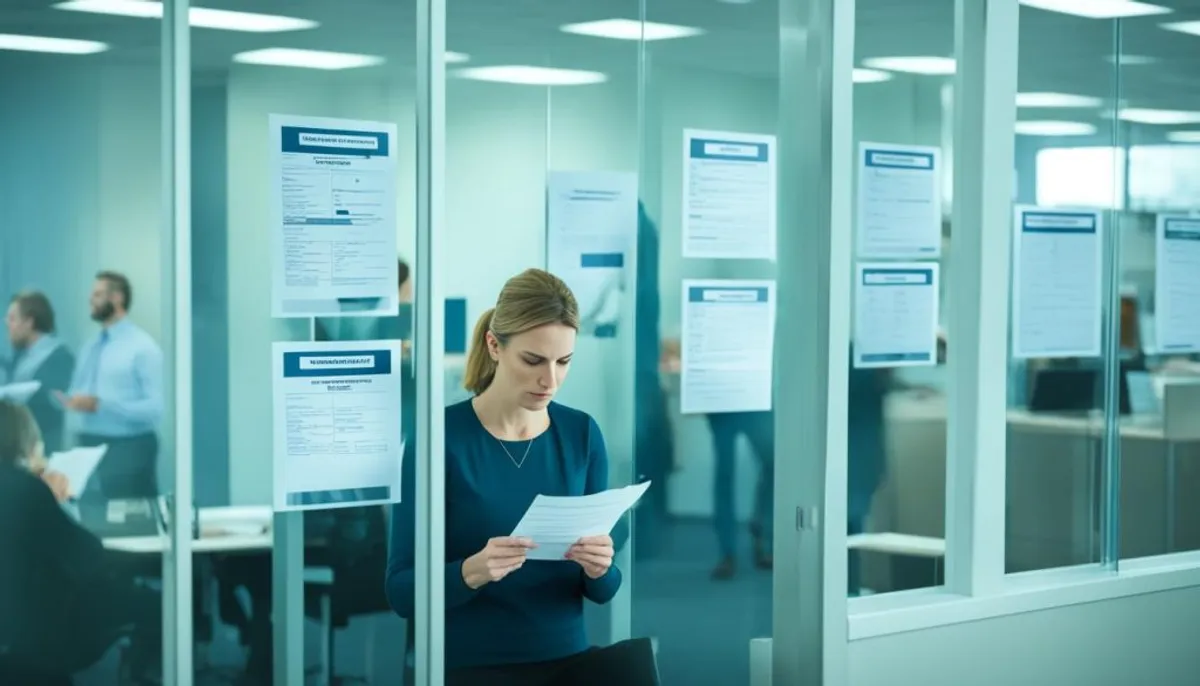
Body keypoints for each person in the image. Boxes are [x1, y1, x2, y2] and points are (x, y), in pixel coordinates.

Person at [385, 268, 658, 686]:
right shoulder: (439, 440)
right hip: (469, 667)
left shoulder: (581, 434)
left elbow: (602, 592)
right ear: (495, 346)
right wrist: (472, 570)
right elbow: (402, 591)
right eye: (533, 360)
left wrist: (600, 569)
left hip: (568, 661)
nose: (550, 380)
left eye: (563, 361)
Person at [0, 400, 160, 685]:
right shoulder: (26, 490)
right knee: (153, 605)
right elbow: (88, 557)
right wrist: (59, 499)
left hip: (13, 632)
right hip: (30, 634)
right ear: (24, 443)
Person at [58, 271, 163, 500]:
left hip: (128, 448)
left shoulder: (142, 347)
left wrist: (103, 406)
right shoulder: (90, 346)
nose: (90, 300)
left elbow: (155, 409)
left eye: (97, 294)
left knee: (128, 521)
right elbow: (79, 390)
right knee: (93, 517)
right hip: (87, 445)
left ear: (117, 298)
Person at [4, 291, 75, 454]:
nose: (7, 323)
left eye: (12, 318)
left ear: (29, 322)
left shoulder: (60, 357)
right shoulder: (19, 358)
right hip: (17, 451)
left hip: (44, 451)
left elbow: (54, 402)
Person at [707, 410, 775, 580]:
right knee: (724, 474)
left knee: (773, 465)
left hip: (753, 400)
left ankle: (759, 534)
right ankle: (728, 552)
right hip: (725, 402)